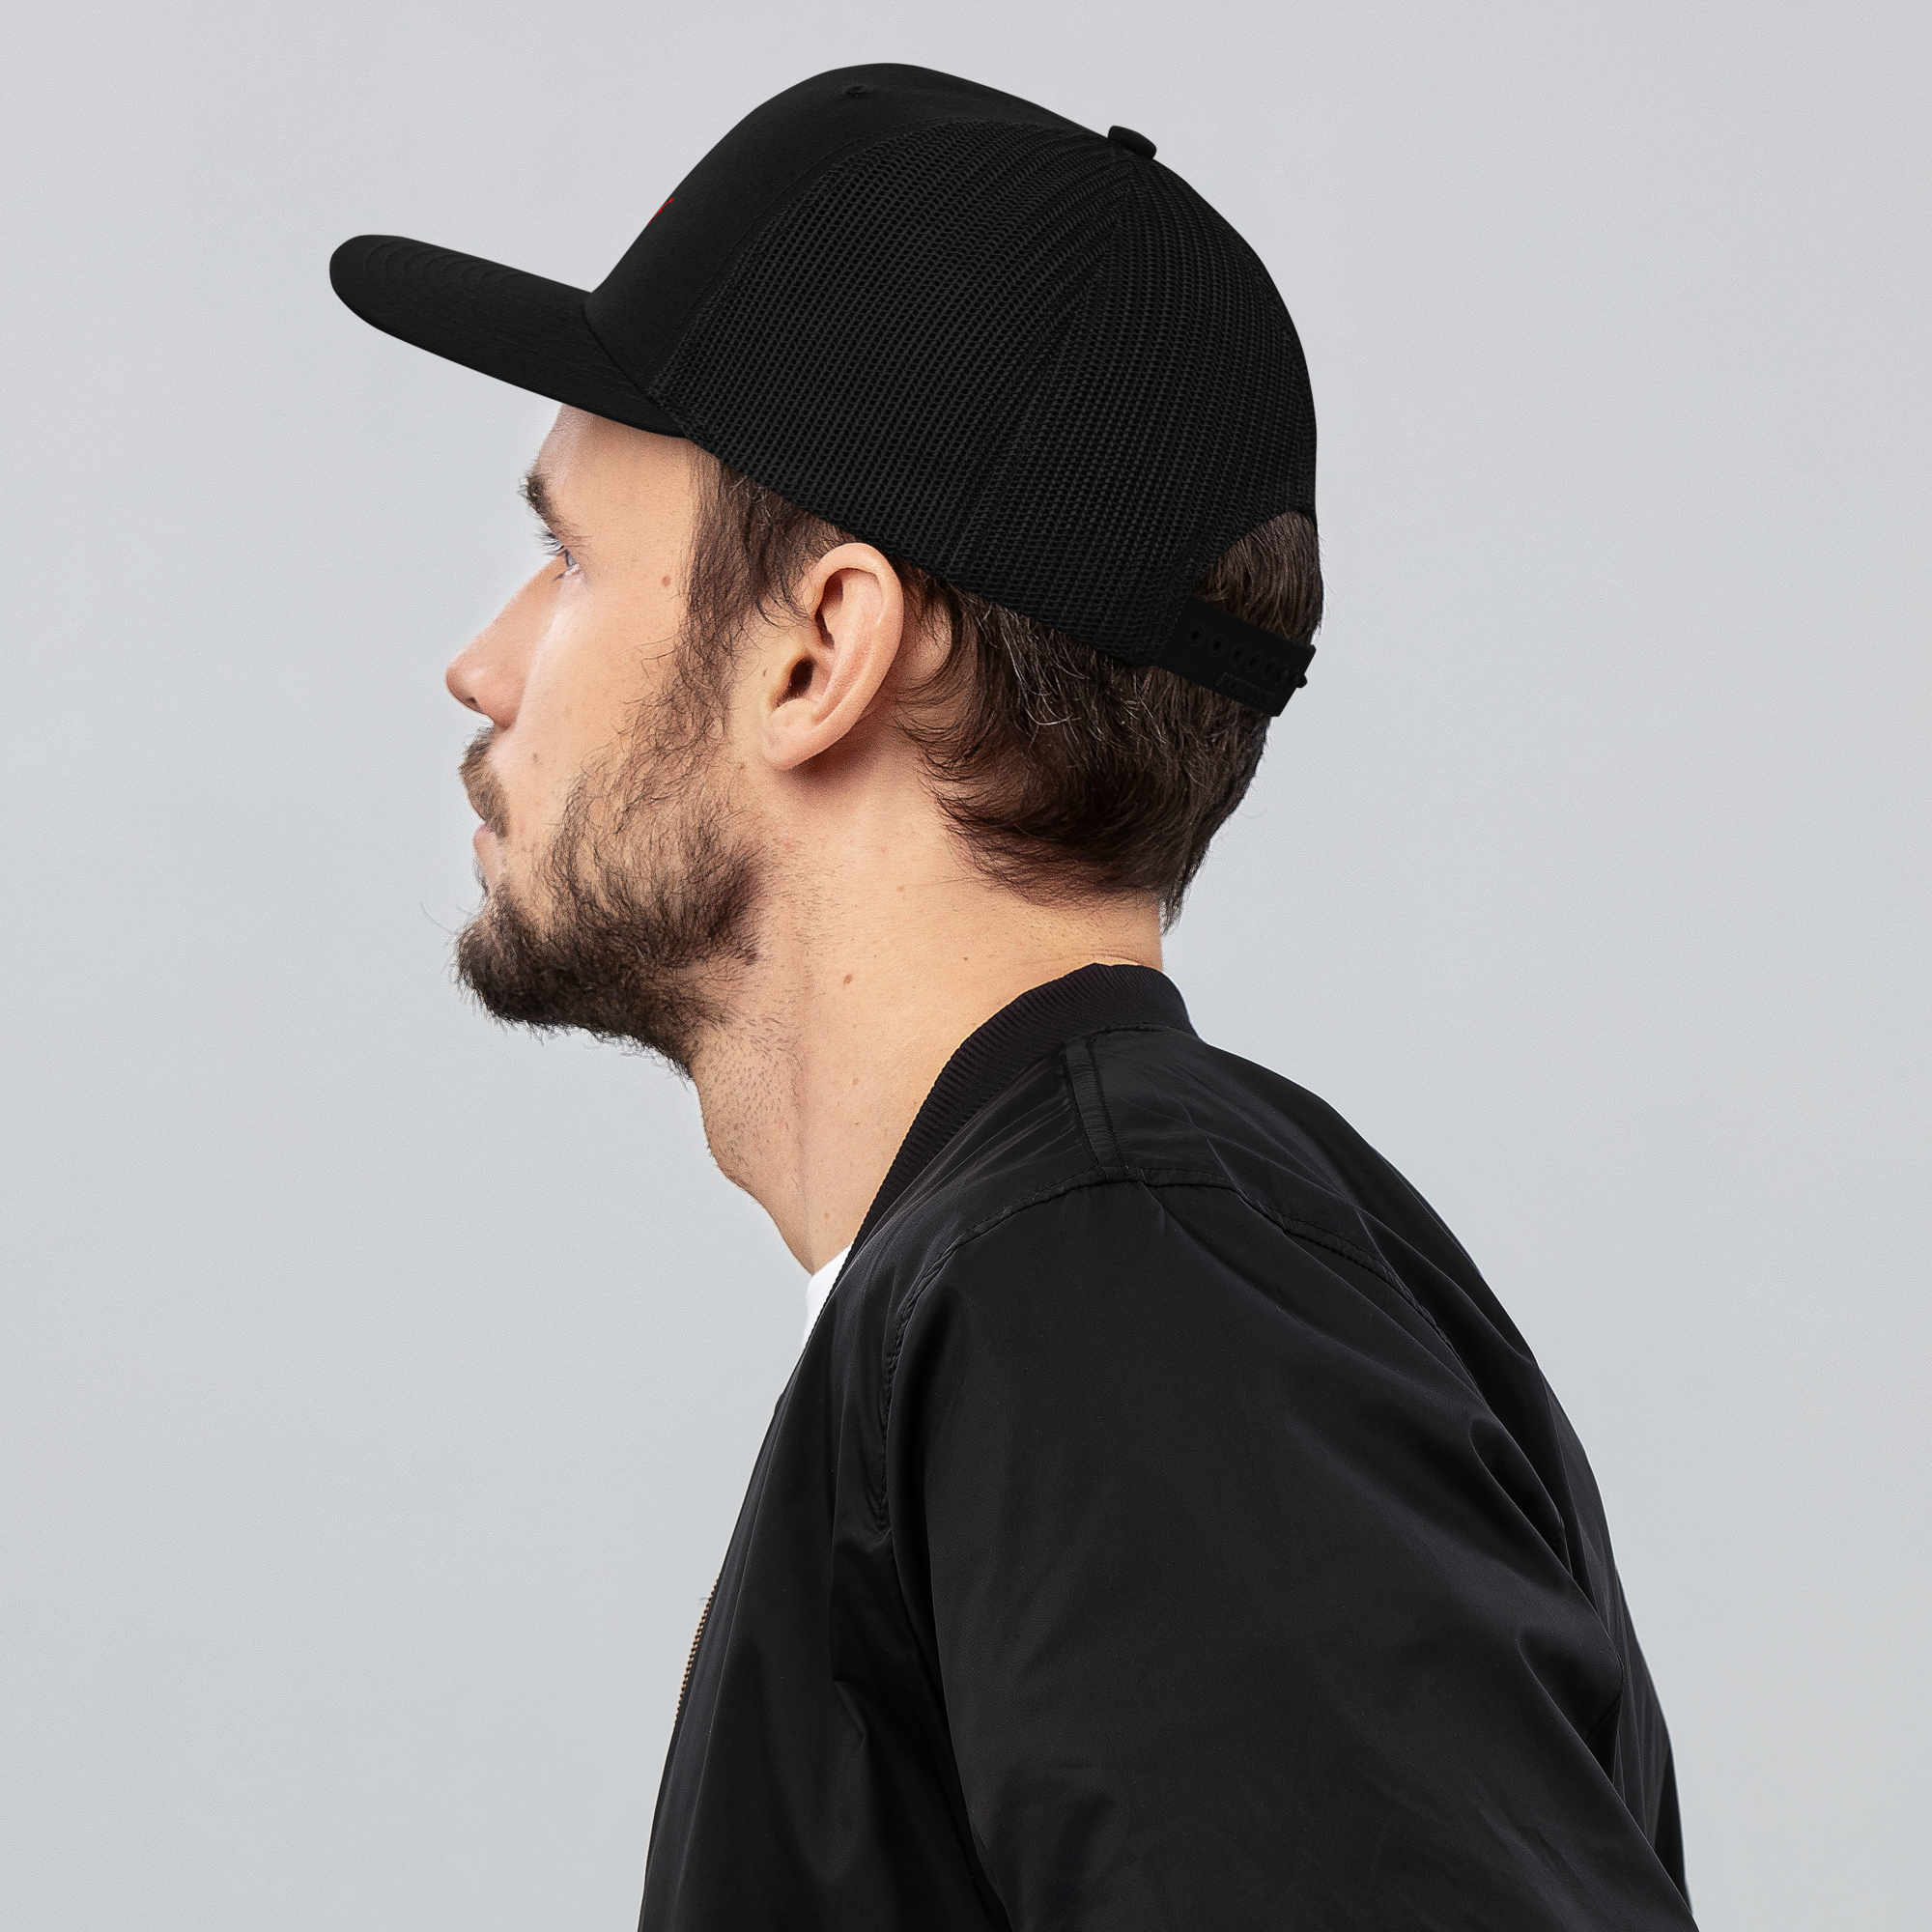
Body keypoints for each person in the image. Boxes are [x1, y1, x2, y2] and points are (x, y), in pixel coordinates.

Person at [331, 63, 1695, 1931]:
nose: (483, 666)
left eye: (569, 557)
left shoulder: (1115, 1292)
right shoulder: (1080, 1274)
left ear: (820, 652)